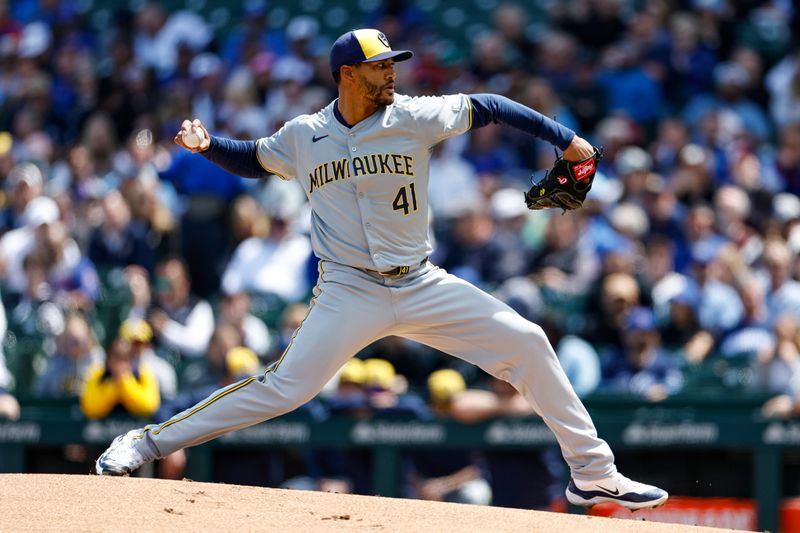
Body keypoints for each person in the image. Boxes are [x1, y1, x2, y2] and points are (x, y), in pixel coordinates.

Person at [95, 28, 668, 510]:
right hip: (348, 288)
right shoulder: (304, 135)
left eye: (393, 63)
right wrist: (207, 144)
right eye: (379, 67)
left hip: (421, 281)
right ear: (347, 74)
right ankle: (144, 443)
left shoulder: (414, 116)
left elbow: (491, 105)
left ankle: (593, 472)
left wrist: (568, 140)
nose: (391, 74)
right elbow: (254, 159)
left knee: (529, 340)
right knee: (282, 389)